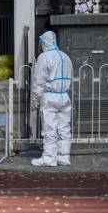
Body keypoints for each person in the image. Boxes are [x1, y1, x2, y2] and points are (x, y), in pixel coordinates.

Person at [31, 31, 73, 167]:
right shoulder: (65, 57)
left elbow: (39, 81)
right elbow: (71, 77)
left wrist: (35, 99)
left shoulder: (44, 57)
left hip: (50, 95)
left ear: (44, 42)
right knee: (64, 128)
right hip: (64, 95)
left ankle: (49, 158)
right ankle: (64, 156)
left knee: (49, 128)